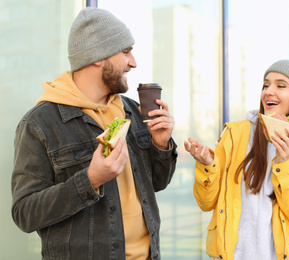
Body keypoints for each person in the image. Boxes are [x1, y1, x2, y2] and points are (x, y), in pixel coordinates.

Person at [11, 7, 177, 260]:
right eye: (125, 52)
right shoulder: (39, 124)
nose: (133, 62)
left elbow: (157, 183)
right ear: (98, 56)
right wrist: (90, 180)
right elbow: (25, 213)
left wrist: (161, 145)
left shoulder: (132, 111)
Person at [184, 59, 289, 260]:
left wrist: (284, 163)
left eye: (280, 85)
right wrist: (208, 165)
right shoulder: (235, 134)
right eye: (266, 84)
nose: (268, 91)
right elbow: (206, 203)